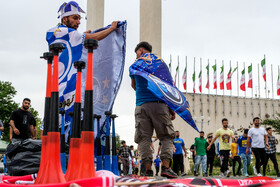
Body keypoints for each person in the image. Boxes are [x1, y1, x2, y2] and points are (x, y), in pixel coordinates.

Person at [130, 41, 177, 178]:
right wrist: (171, 108)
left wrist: (144, 92)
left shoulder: (134, 65)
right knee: (166, 136)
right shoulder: (160, 64)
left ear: (142, 50)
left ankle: (147, 170)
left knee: (144, 138)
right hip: (160, 105)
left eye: (137, 52)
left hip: (141, 106)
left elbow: (134, 86)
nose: (136, 55)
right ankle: (166, 168)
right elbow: (168, 86)